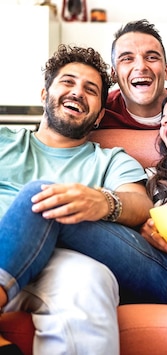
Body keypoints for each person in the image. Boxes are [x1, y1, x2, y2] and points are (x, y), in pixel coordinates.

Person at [1, 88, 167, 354]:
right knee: (43, 195)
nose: (166, 120)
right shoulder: (150, 176)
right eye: (163, 119)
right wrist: (141, 223)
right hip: (146, 262)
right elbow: (131, 211)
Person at [0, 45, 152, 355]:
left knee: (91, 279)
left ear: (98, 116)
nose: (77, 92)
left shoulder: (111, 161)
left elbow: (141, 205)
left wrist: (104, 201)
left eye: (90, 89)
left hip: (61, 261)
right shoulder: (5, 141)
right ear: (44, 94)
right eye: (68, 82)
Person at [99, 19, 167, 129]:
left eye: (152, 58)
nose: (141, 67)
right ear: (114, 74)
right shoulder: (99, 112)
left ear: (166, 71)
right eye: (127, 59)